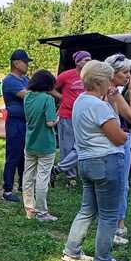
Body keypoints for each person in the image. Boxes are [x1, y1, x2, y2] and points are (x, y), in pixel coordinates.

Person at [61, 61, 128, 261]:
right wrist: (125, 135)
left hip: (86, 161)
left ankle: (72, 251)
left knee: (87, 209)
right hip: (106, 161)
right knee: (108, 215)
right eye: (109, 80)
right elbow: (117, 137)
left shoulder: (81, 100)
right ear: (99, 82)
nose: (111, 84)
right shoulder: (99, 106)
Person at [104, 54, 131, 245]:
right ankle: (119, 225)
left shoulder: (99, 90)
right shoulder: (114, 93)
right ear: (112, 74)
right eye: (125, 72)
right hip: (120, 139)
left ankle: (112, 225)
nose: (128, 76)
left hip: (103, 141)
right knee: (121, 184)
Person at [22, 70, 58, 222]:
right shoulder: (47, 99)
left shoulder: (27, 97)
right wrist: (58, 118)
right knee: (42, 179)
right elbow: (50, 122)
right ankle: (42, 213)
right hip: (46, 145)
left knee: (28, 176)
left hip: (30, 143)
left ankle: (29, 209)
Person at [51, 50, 91, 186]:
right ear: (78, 62)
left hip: (84, 117)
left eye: (90, 59)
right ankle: (71, 177)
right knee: (67, 146)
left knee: (82, 146)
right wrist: (62, 97)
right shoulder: (66, 75)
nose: (88, 62)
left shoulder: (90, 76)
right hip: (67, 114)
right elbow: (51, 88)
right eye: (86, 60)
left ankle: (57, 169)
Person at [1, 49, 31, 202]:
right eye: (25, 62)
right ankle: (7, 190)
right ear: (16, 63)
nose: (27, 65)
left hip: (25, 122)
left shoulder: (25, 80)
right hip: (15, 122)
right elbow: (28, 95)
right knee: (13, 155)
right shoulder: (9, 81)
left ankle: (22, 185)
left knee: (24, 156)